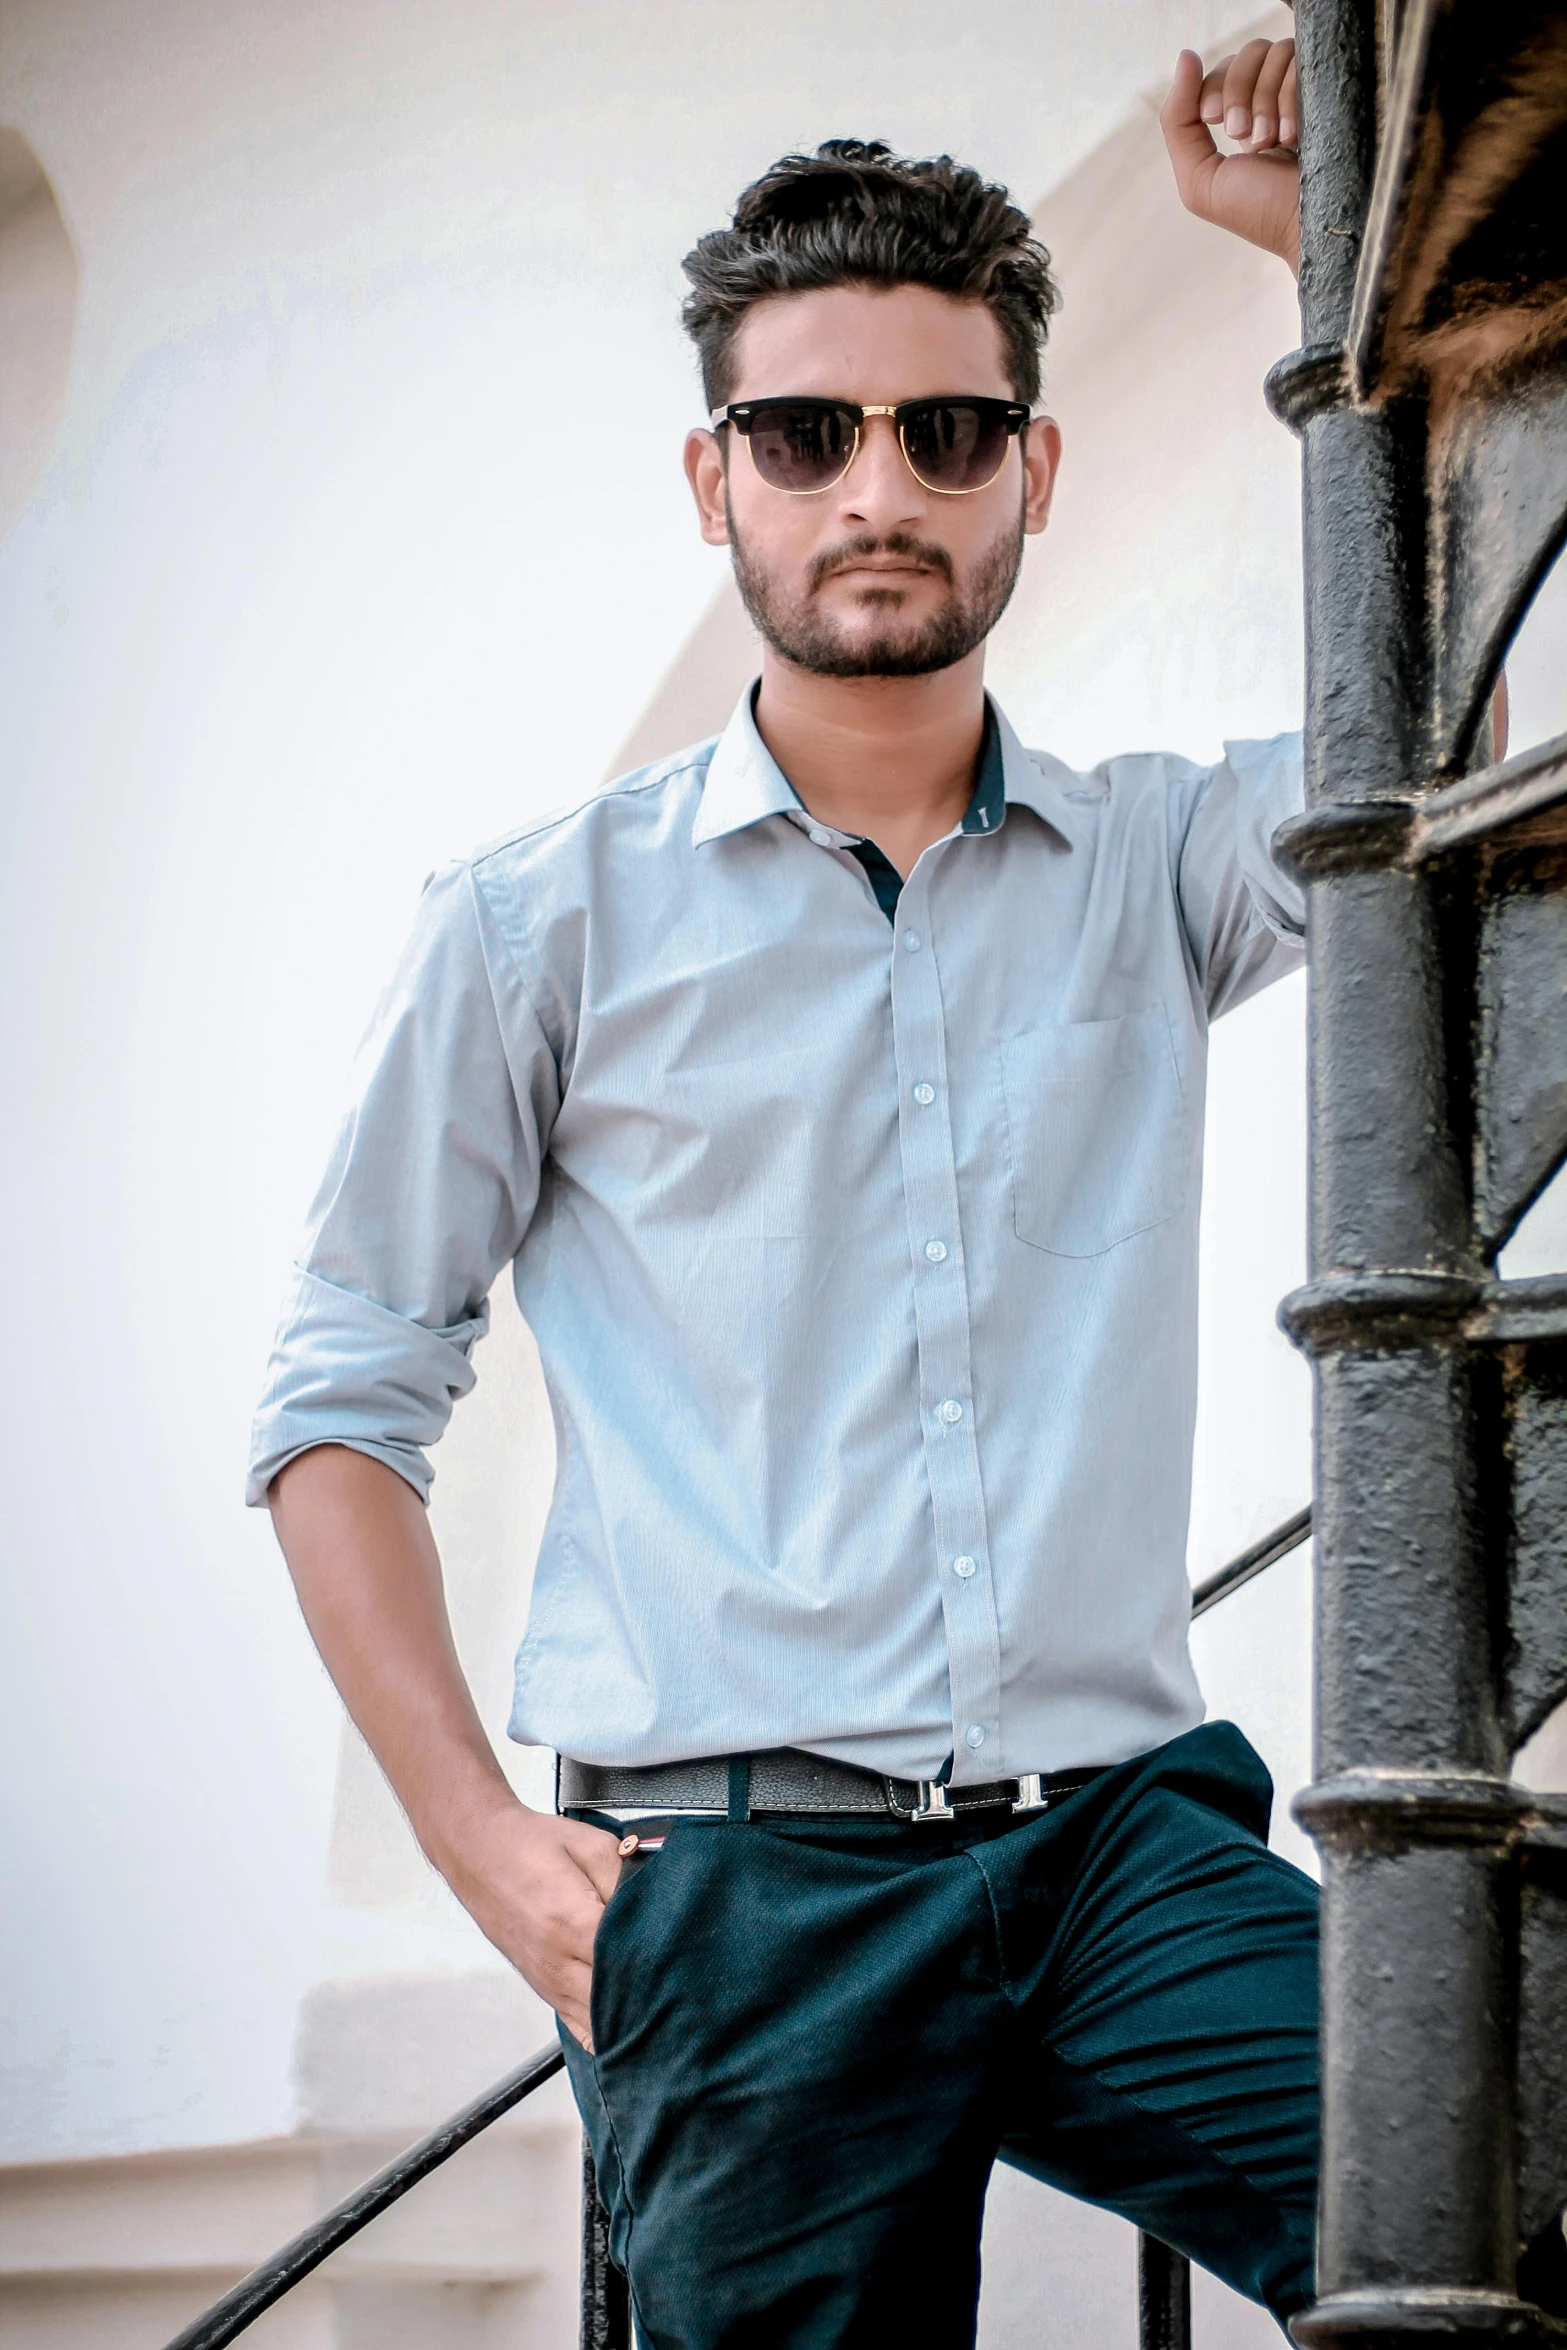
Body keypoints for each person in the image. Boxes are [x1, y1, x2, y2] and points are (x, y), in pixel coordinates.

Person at [252, 41, 1322, 2346]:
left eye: (945, 430)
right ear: (711, 474)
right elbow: (343, 1398)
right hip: (737, 1884)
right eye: (806, 431)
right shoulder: (538, 925)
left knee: (1491, 2166)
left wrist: (1316, 270)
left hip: (1119, 1840)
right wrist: (481, 1846)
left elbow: (1440, 725)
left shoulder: (1158, 862)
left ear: (1031, 463)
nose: (879, 487)